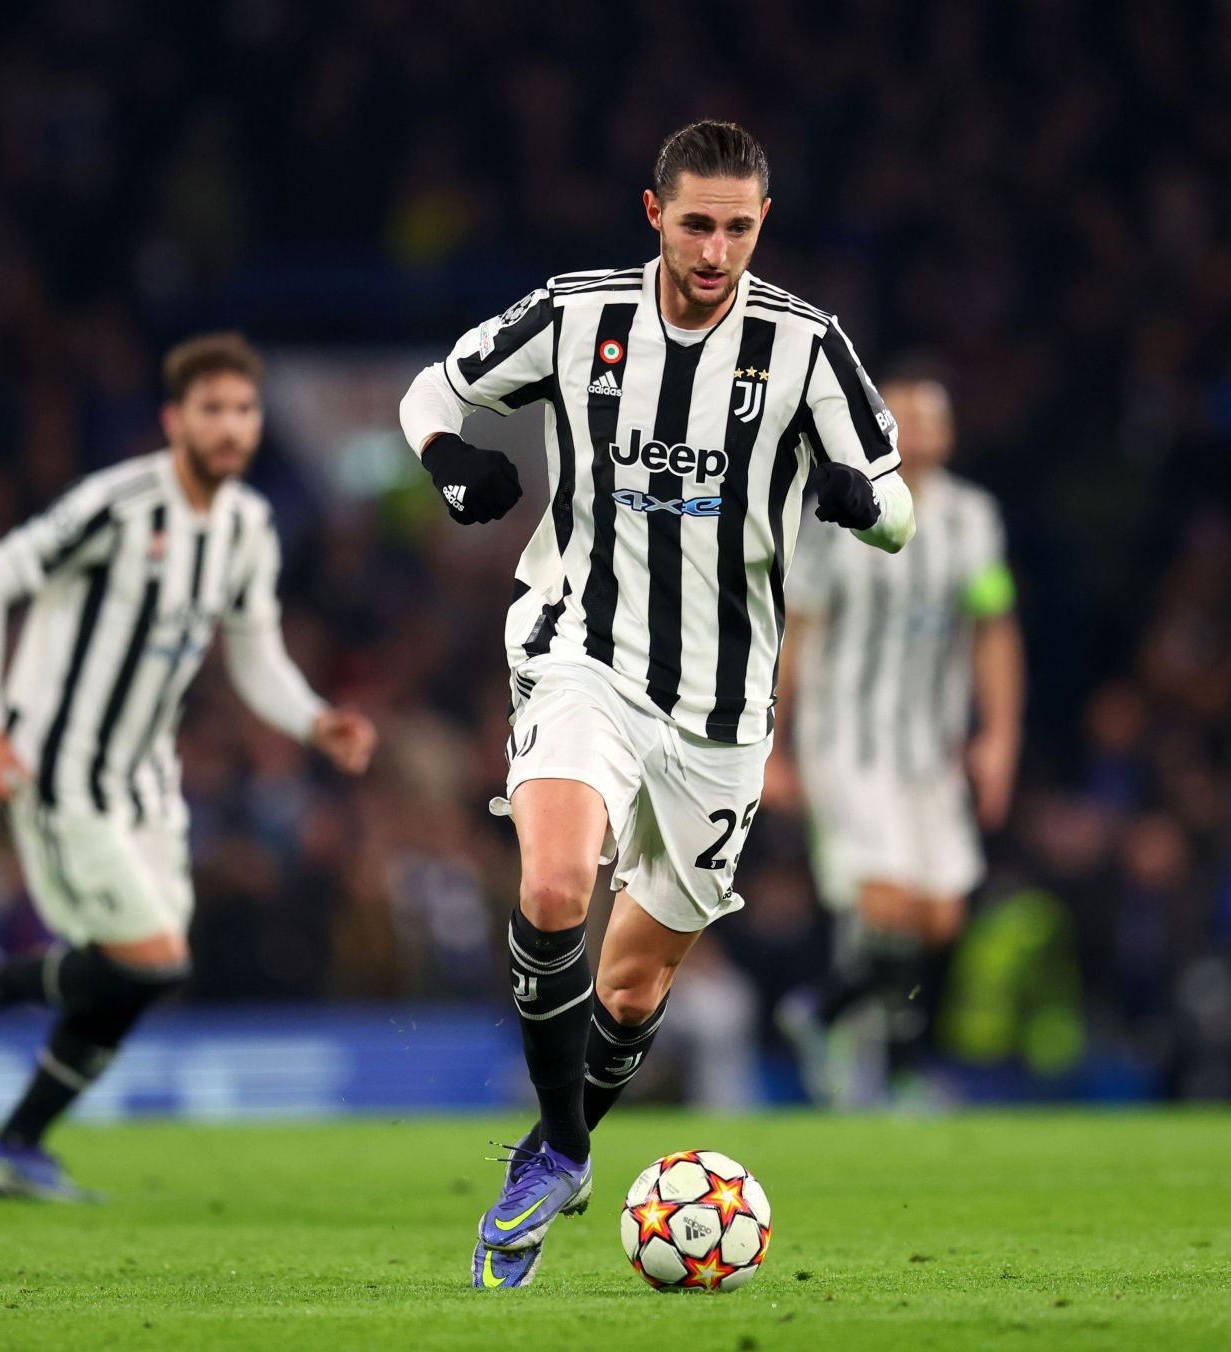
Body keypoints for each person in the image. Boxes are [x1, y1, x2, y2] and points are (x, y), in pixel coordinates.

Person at [398, 119, 915, 1289]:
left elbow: (899, 508)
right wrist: (446, 456)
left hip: (724, 708)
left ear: (761, 223)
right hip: (580, 648)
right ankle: (561, 1154)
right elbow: (431, 390)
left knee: (632, 986)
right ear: (654, 214)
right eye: (696, 223)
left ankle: (562, 1141)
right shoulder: (578, 314)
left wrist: (852, 498)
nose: (716, 248)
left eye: (738, 226)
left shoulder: (806, 346)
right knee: (550, 879)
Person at [0, 333, 377, 1200]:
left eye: (244, 410)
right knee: (154, 959)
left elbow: (255, 659)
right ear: (175, 420)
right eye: (211, 410)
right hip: (60, 768)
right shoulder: (118, 505)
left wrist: (316, 720)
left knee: (141, 976)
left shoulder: (246, 528)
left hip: (144, 782)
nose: (231, 427)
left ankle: (16, 1144)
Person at [768, 377, 1025, 1105]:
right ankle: (897, 1075)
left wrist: (998, 736)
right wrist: (773, 744)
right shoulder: (839, 507)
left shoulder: (972, 518)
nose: (919, 428)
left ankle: (823, 1014)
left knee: (943, 918)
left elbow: (992, 627)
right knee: (889, 906)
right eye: (904, 415)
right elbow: (799, 630)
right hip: (845, 738)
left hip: (929, 747)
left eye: (931, 416)